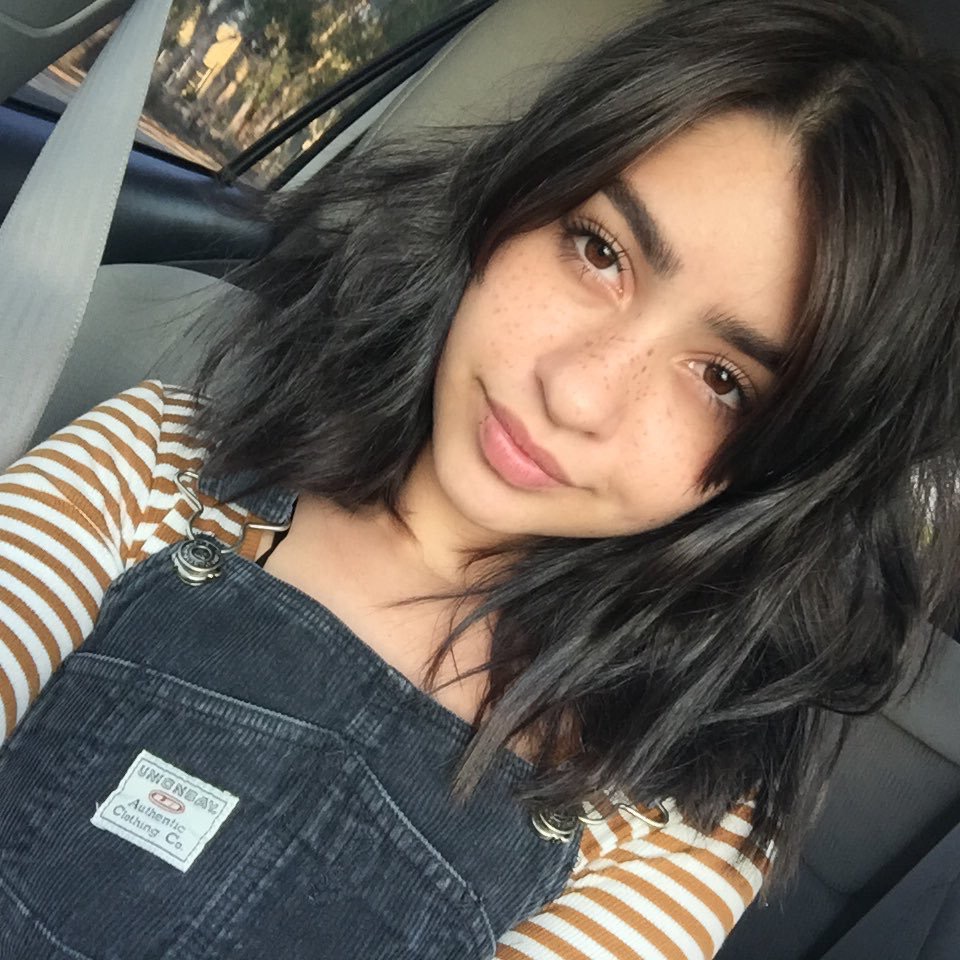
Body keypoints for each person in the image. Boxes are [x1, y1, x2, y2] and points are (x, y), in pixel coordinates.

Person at [1, 0, 960, 957]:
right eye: (599, 251)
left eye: (722, 381)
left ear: (794, 471)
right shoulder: (155, 464)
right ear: (513, 199)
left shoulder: (672, 815)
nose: (577, 392)